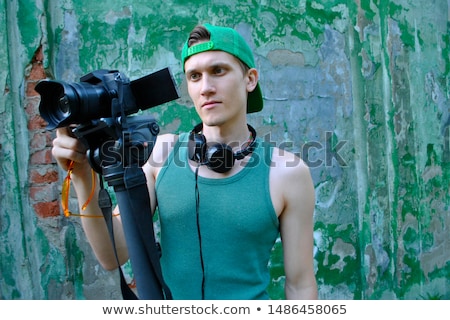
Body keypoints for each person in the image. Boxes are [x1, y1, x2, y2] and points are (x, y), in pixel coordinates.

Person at [51, 23, 318, 300]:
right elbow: (113, 255)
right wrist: (83, 176)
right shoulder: (161, 154)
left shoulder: (288, 173)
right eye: (194, 76)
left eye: (218, 71)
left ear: (250, 79)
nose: (206, 88)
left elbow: (300, 285)